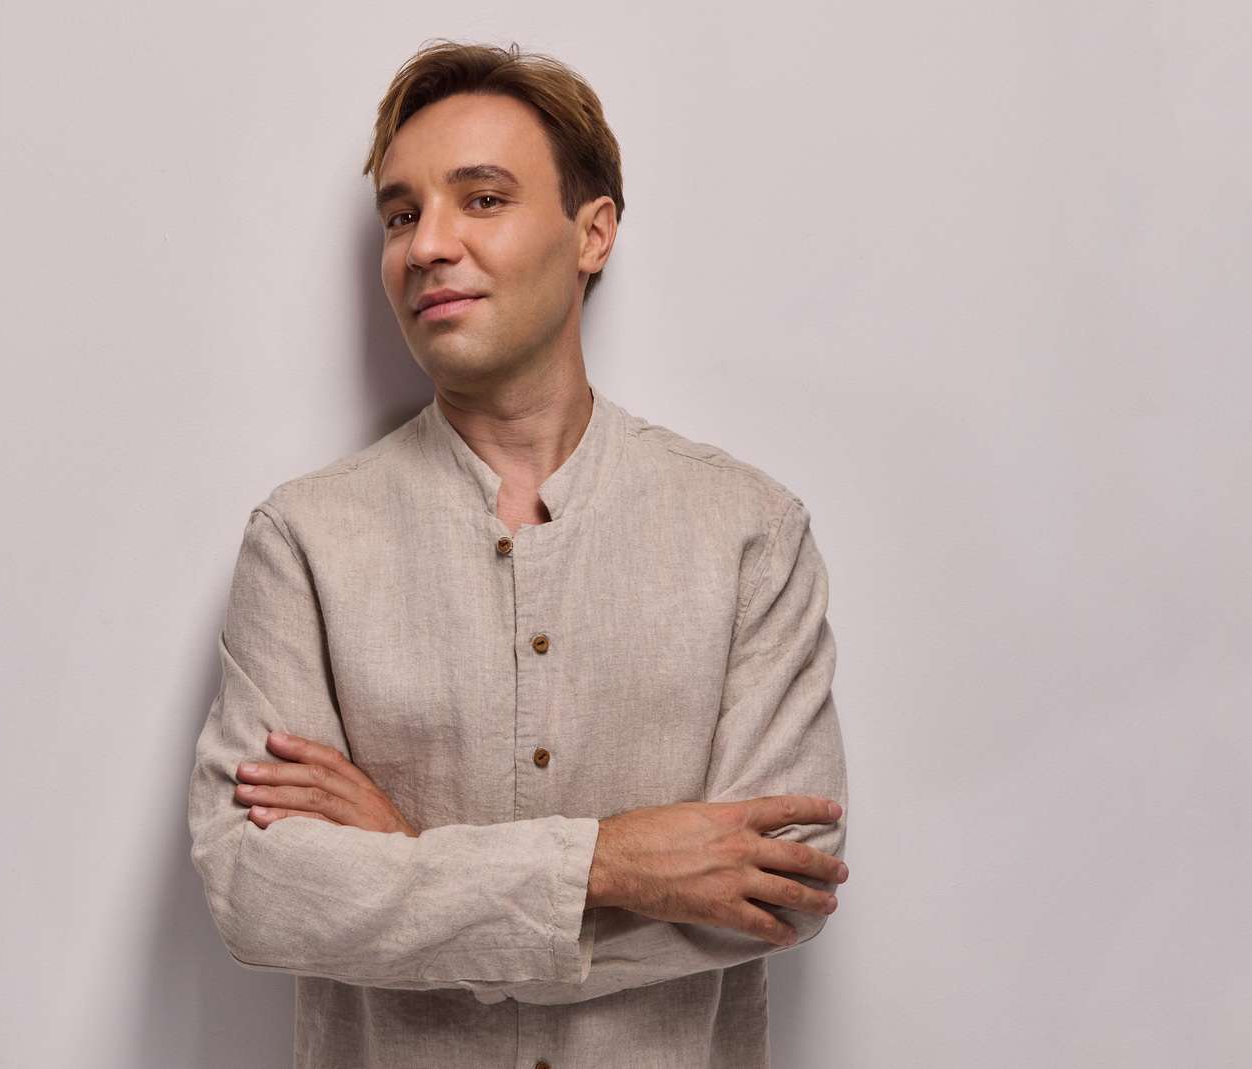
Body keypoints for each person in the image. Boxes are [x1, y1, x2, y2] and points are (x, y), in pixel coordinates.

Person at [186, 39, 850, 1069]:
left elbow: (783, 884)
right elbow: (257, 890)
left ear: (593, 232)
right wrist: (612, 863)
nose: (426, 245)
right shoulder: (304, 540)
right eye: (400, 215)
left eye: (482, 199)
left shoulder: (747, 531)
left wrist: (404, 862)